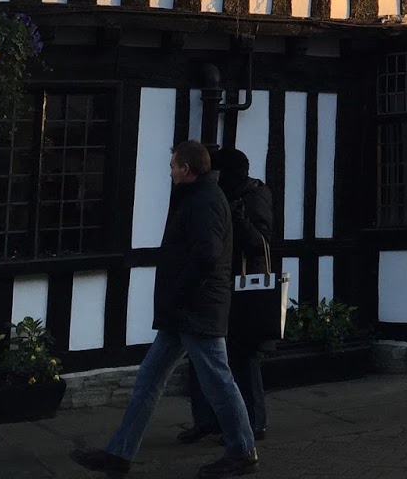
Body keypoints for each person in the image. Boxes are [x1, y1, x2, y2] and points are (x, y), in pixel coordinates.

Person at [71, 140, 258, 479]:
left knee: (218, 382)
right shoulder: (196, 197)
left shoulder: (204, 200)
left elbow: (207, 255)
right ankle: (119, 453)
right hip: (183, 312)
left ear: (186, 169)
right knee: (149, 379)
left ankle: (242, 451)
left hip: (197, 310)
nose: (170, 172)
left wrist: (178, 292)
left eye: (173, 166)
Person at [180, 147, 274, 444]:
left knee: (244, 355)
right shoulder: (216, 195)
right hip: (218, 283)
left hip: (243, 285)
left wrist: (238, 216)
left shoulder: (254, 195)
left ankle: (254, 422)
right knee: (203, 354)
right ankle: (208, 420)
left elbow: (260, 243)